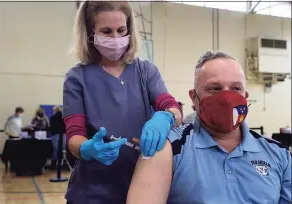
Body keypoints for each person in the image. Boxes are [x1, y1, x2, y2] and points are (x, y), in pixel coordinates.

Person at [126, 51, 292, 204]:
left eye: (236, 89)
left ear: (245, 96)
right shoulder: (170, 147)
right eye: (215, 89)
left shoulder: (279, 155)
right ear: (194, 97)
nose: (227, 98)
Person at [63, 1, 183, 204]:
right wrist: (88, 148)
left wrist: (167, 116)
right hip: (92, 194)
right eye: (106, 32)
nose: (116, 38)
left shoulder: (146, 71)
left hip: (141, 190)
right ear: (91, 33)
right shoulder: (77, 78)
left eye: (121, 30)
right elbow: (74, 137)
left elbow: (173, 108)